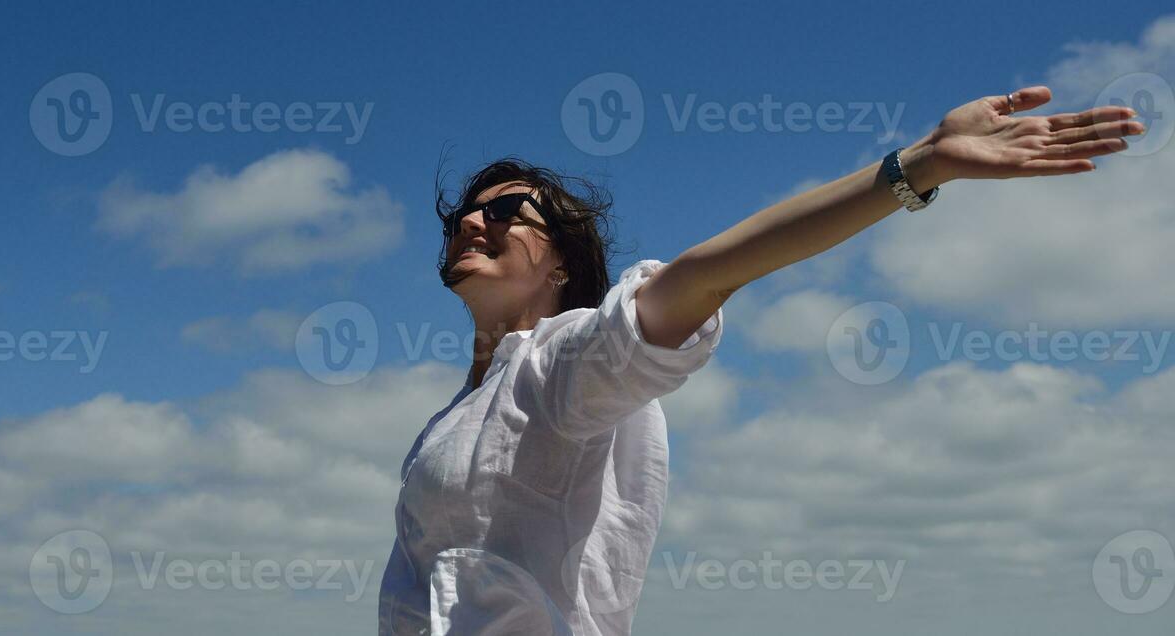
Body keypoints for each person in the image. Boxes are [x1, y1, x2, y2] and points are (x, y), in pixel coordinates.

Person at [377, 86, 1144, 636]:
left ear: (562, 265)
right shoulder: (449, 417)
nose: (474, 220)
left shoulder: (565, 365)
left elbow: (710, 273)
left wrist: (916, 167)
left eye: (508, 211)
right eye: (464, 213)